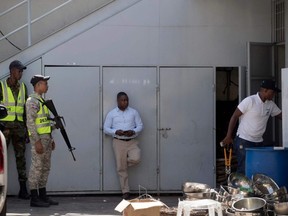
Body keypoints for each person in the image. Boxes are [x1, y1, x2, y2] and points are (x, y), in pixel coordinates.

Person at [221, 79, 282, 174]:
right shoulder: (250, 101)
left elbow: (282, 116)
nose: (273, 94)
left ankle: (252, 189)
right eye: (272, 92)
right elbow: (234, 116)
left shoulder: (270, 105)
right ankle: (237, 188)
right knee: (244, 169)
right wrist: (229, 136)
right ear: (265, 90)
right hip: (244, 141)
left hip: (258, 142)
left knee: (257, 170)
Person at [26, 75, 58, 207]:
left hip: (46, 139)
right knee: (36, 169)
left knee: (45, 168)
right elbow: (31, 123)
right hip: (38, 140)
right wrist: (37, 141)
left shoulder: (43, 101)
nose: (47, 86)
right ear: (38, 85)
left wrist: (52, 137)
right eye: (45, 83)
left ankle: (43, 195)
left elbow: (44, 122)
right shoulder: (32, 101)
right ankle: (34, 198)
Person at [104, 92, 143, 200]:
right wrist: (116, 131)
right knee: (121, 169)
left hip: (132, 141)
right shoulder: (112, 114)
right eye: (122, 100)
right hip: (118, 142)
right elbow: (106, 128)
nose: (125, 102)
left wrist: (133, 131)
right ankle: (125, 191)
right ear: (118, 101)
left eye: (126, 100)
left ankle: (124, 164)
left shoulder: (134, 112)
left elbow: (140, 125)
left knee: (136, 158)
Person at [0, 60, 29, 199]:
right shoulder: (1, 86)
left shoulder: (23, 87)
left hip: (20, 129)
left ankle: (23, 190)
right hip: (4, 129)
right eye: (19, 70)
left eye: (22, 71)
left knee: (21, 159)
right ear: (12, 71)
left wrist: (27, 130)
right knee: (1, 158)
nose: (21, 73)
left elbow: (26, 111)